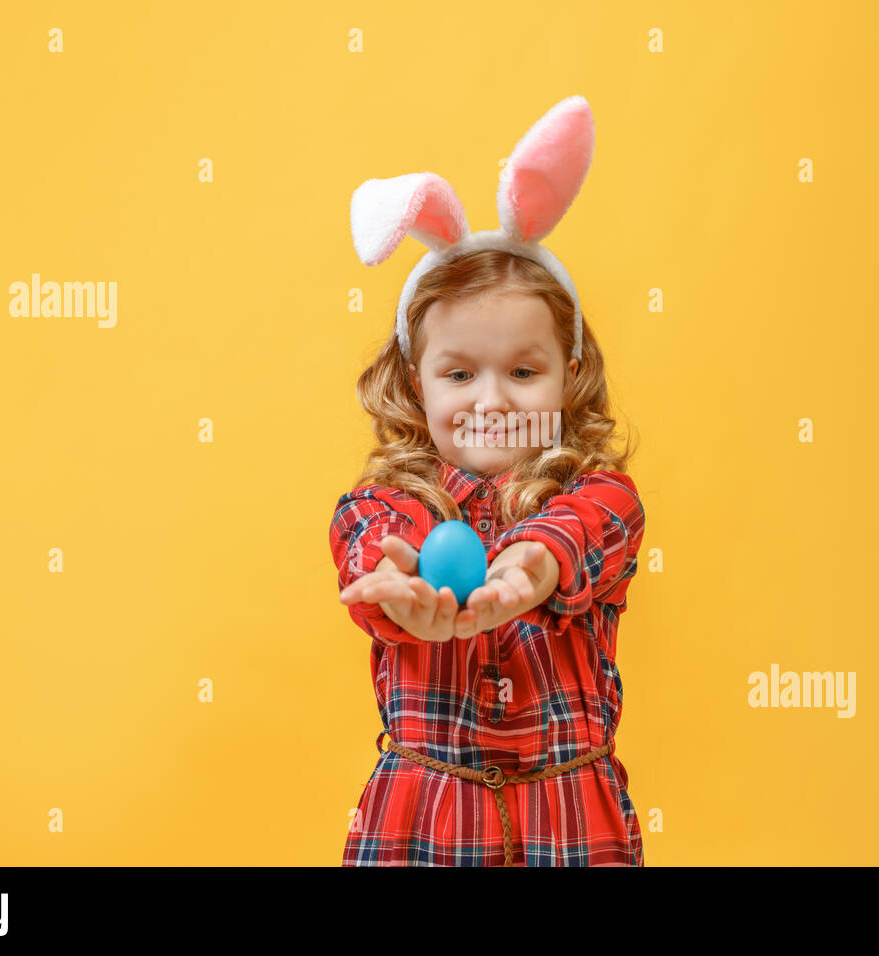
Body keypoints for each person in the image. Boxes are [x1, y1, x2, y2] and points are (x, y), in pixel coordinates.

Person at [330, 96, 645, 866]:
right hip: (424, 818)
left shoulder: (601, 496)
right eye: (461, 372)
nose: (492, 400)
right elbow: (371, 545)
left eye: (524, 371)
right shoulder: (382, 505)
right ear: (417, 380)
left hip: (569, 818)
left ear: (569, 376)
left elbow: (576, 535)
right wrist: (395, 580)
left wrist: (530, 566)